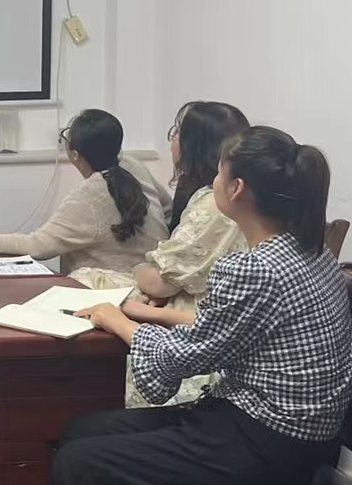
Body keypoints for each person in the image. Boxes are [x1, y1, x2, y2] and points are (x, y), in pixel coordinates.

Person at [41, 127, 352, 485]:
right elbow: (222, 332)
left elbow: (182, 359)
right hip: (290, 438)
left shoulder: (254, 267)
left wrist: (118, 320)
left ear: (237, 188)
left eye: (220, 173)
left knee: (82, 467)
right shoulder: (309, 250)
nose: (213, 181)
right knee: (84, 432)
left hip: (269, 448)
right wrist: (151, 316)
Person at [74, 101, 250, 406]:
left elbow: (160, 283)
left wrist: (146, 279)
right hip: (186, 301)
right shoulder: (224, 199)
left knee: (87, 280)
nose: (172, 141)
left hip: (194, 311)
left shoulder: (214, 205)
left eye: (177, 133)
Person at [0, 108, 169, 275]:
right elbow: (168, 210)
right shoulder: (134, 165)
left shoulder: (89, 196)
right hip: (153, 283)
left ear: (75, 155)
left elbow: (38, 246)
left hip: (107, 294)